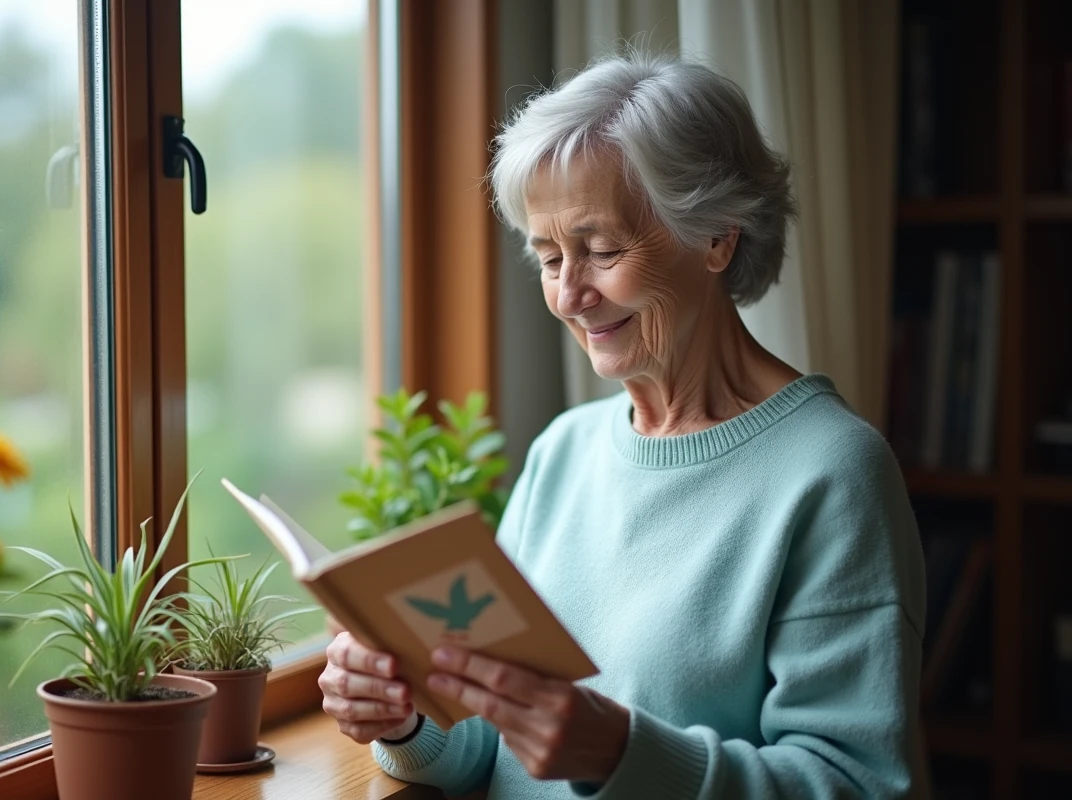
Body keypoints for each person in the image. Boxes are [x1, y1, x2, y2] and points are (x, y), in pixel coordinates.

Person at [319, 52, 925, 799]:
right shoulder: (564, 452)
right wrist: (405, 721)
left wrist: (620, 754)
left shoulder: (833, 473)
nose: (570, 294)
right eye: (548, 257)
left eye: (601, 251)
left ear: (716, 238)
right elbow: (490, 749)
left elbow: (860, 784)